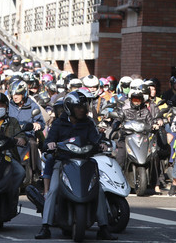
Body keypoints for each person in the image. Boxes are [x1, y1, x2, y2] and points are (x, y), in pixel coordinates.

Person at [34, 91, 116, 240]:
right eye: (78, 107)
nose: (82, 110)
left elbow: (96, 139)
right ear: (69, 107)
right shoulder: (59, 123)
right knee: (52, 190)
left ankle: (104, 227)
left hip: (86, 163)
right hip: (63, 162)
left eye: (83, 107)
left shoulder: (89, 123)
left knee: (98, 191)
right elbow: (48, 142)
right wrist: (50, 144)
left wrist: (102, 145)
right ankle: (45, 226)